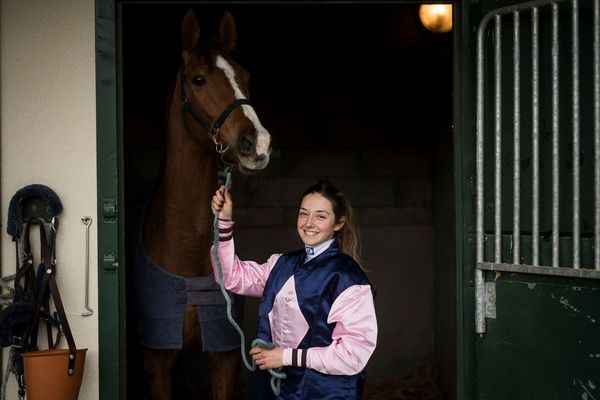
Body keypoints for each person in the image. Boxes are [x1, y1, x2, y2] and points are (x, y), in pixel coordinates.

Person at [210, 179, 378, 400]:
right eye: (303, 214)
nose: (309, 223)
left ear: (338, 223)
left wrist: (286, 357)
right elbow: (231, 277)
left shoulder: (348, 278)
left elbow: (353, 354)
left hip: (324, 393)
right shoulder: (281, 265)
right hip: (275, 388)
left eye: (320, 216)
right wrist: (224, 221)